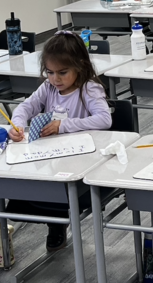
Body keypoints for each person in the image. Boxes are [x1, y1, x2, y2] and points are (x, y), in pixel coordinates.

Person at [7, 32, 113, 251]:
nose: (55, 78)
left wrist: (63, 126)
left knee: (59, 188)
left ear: (80, 66)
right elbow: (26, 106)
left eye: (63, 73)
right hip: (53, 157)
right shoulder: (48, 87)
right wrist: (17, 123)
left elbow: (104, 119)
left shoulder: (89, 89)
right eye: (50, 72)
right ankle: (55, 224)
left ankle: (58, 222)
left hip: (82, 159)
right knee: (33, 185)